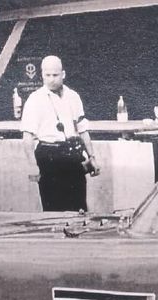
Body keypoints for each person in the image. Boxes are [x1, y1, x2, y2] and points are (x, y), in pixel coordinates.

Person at [21, 56, 101, 212]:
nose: (51, 79)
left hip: (72, 156)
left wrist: (92, 158)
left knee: (79, 208)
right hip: (48, 156)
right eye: (47, 75)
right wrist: (32, 165)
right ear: (42, 75)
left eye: (55, 75)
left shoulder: (73, 96)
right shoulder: (35, 99)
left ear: (63, 74)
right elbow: (27, 136)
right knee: (53, 210)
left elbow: (83, 130)